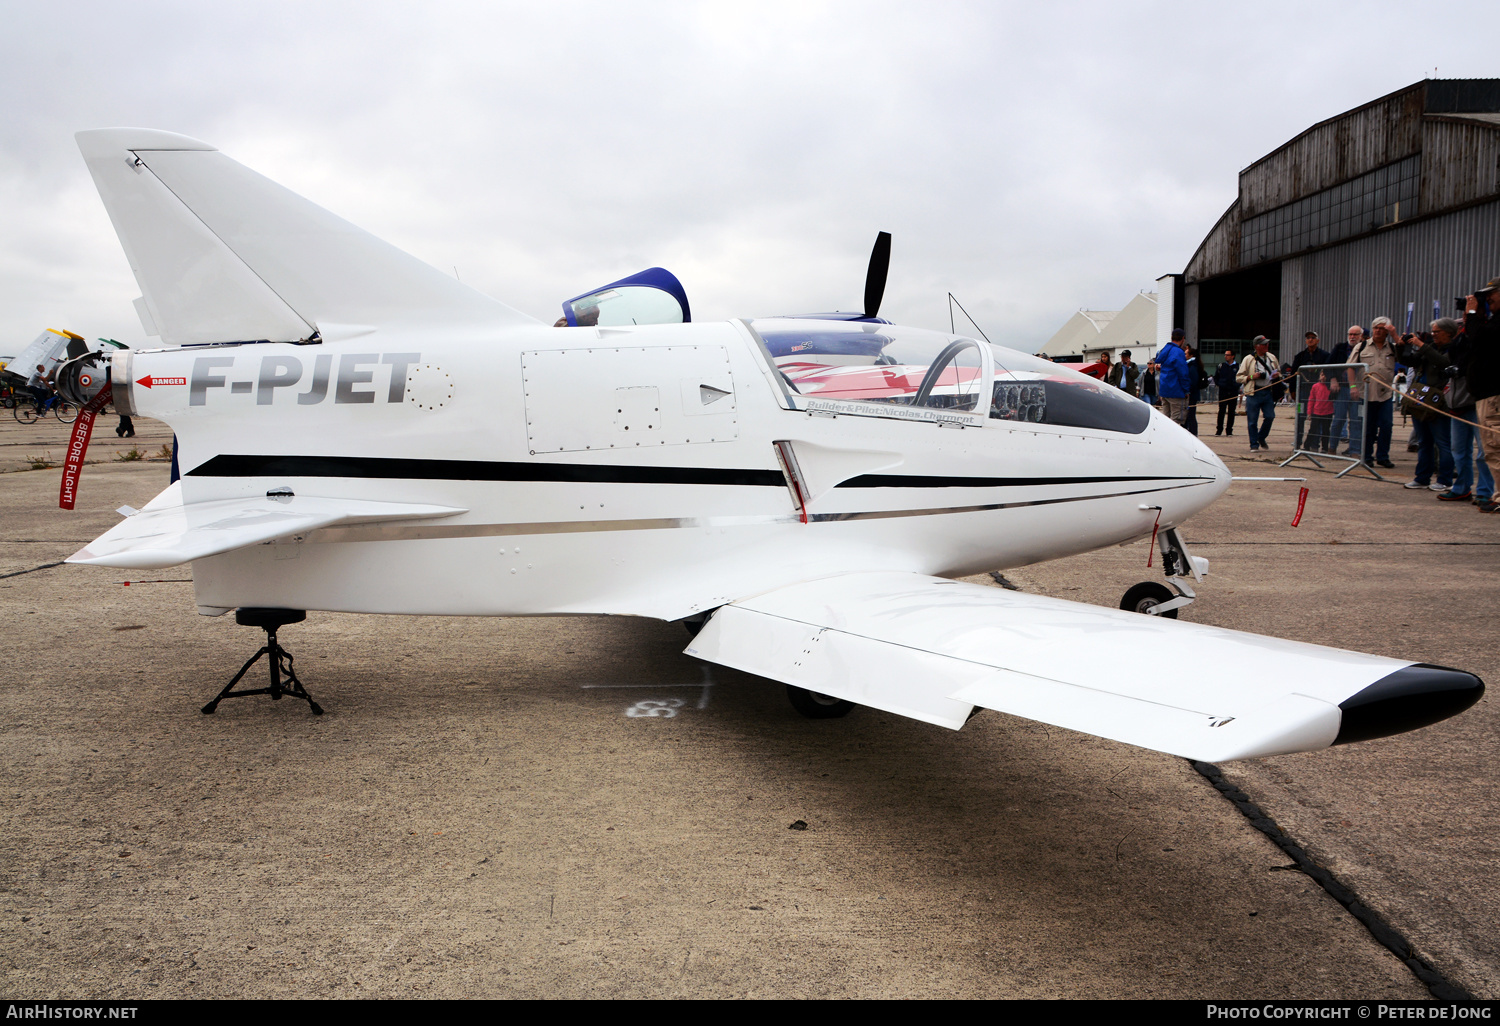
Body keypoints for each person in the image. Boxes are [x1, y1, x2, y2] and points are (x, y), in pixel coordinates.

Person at [1395, 321, 1454, 492]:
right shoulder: (1428, 347)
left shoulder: (1453, 349)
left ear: (1449, 333)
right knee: (1424, 442)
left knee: (1443, 443)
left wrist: (1421, 345)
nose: (1433, 335)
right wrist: (1401, 347)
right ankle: (1422, 478)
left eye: (1438, 332)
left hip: (1439, 403)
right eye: (1432, 332)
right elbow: (1409, 360)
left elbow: (1443, 362)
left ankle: (1445, 480)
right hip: (1420, 401)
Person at [1442, 315, 1494, 505]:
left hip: (1478, 402)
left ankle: (1485, 491)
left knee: (1484, 451)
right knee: (1459, 450)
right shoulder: (1459, 341)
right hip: (1457, 403)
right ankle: (1461, 488)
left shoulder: (1483, 336)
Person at [1464, 276, 1500, 513]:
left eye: (1491, 294)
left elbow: (1477, 340)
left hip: (1493, 395)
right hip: (1487, 394)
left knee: (1494, 447)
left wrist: (1473, 315)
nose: (1486, 299)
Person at [1349, 318, 1396, 468]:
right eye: (1376, 327)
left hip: (1385, 394)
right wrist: (1352, 387)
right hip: (1366, 394)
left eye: (1382, 328)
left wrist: (1396, 335)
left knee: (1387, 425)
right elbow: (1350, 367)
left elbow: (1406, 355)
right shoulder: (1361, 346)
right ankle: (1367, 456)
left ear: (1387, 331)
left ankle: (1383, 456)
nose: (1378, 330)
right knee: (1368, 427)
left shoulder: (1393, 348)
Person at [1236, 336, 1280, 451]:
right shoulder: (1248, 359)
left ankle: (1261, 437)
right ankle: (1254, 444)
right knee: (1252, 421)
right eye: (1263, 344)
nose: (1266, 346)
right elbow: (1238, 377)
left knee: (1270, 416)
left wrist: (1277, 375)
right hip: (1253, 393)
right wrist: (1251, 377)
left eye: (1267, 344)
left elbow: (1279, 372)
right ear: (1256, 346)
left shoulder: (1272, 357)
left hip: (1268, 391)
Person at [1154, 330, 1191, 426]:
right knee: (1176, 421)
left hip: (1164, 390)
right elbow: (1183, 372)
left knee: (1165, 419)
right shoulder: (1178, 352)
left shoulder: (1165, 349)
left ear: (1171, 337)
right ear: (1183, 338)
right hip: (1176, 391)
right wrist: (1186, 390)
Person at [1305, 372, 1334, 452]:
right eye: (1322, 375)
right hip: (1316, 412)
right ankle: (1307, 445)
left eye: (1325, 375)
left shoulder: (1330, 386)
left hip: (1328, 412)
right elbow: (1311, 400)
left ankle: (1324, 448)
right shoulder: (1315, 386)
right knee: (1312, 430)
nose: (1323, 377)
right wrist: (1309, 412)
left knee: (1326, 431)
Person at [1213, 349, 1239, 435]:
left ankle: (1229, 430)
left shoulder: (1238, 367)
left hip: (1233, 392)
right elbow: (1216, 377)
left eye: (1228, 355)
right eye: (1225, 355)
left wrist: (1236, 385)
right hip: (1223, 391)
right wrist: (1219, 384)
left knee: (1231, 412)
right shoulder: (1221, 366)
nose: (1225, 356)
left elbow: (1240, 378)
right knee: (1221, 411)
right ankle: (1219, 429)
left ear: (1232, 356)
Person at [1184, 347, 1205, 435]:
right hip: (1191, 394)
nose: (1184, 355)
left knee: (1190, 416)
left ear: (1191, 355)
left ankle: (1193, 434)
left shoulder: (1192, 366)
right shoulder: (1191, 365)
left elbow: (1192, 381)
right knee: (1188, 416)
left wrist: (1187, 391)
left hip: (1191, 395)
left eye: (1186, 354)